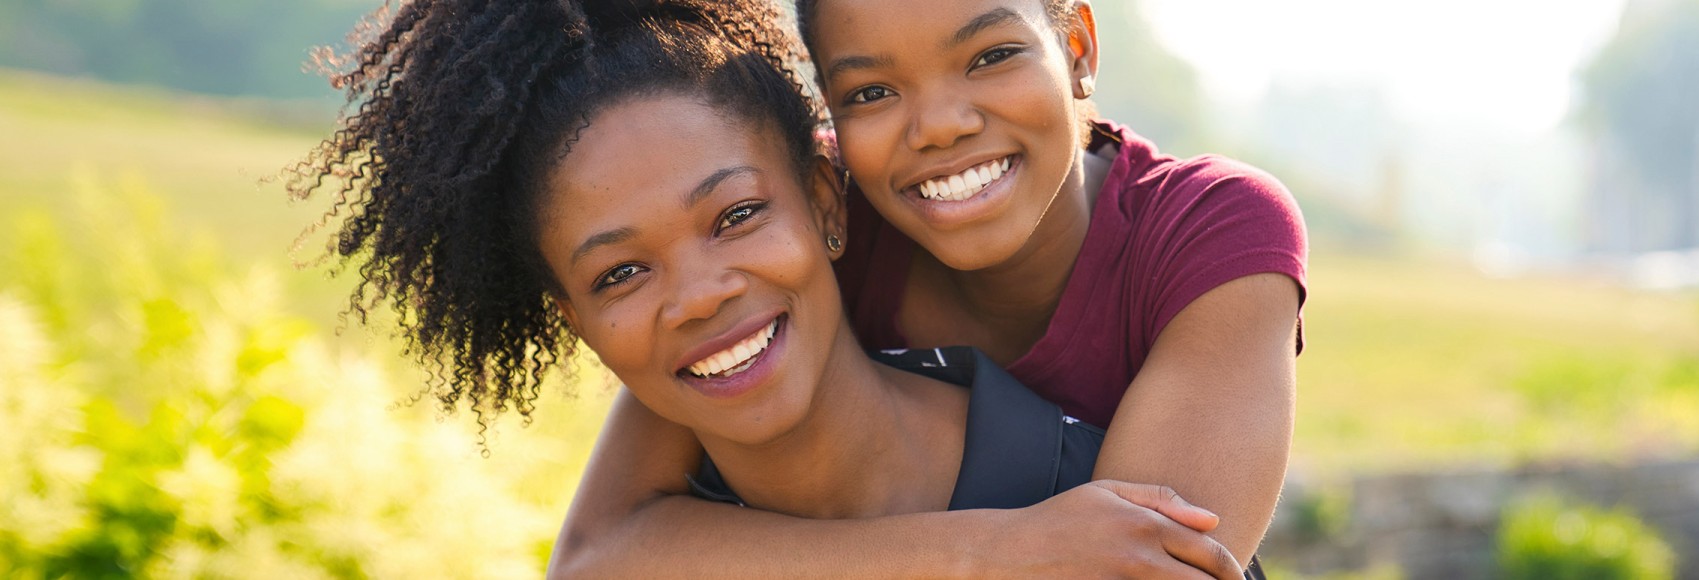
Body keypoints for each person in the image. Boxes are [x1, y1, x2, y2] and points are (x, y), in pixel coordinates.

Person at [289, 0, 1251, 578]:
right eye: (620, 273)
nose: (701, 293)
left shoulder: (1200, 244)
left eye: (737, 216)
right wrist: (986, 555)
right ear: (573, 322)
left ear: (823, 206)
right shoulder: (818, 215)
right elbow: (597, 558)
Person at [557, 0, 1309, 575]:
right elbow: (606, 551)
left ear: (1076, 48)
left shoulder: (1210, 229)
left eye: (991, 56)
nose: (941, 126)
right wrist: (984, 552)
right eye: (872, 92)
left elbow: (1145, 564)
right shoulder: (794, 222)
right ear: (830, 118)